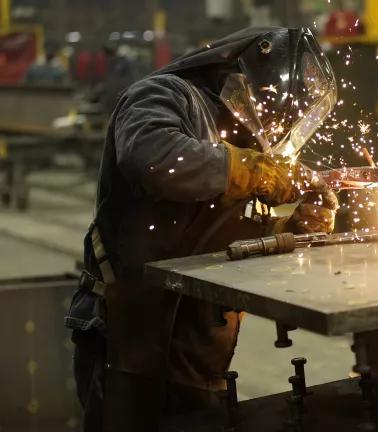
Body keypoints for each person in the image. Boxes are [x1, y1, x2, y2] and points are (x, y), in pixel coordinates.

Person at [64, 27, 338, 431]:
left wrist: (294, 227)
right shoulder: (163, 95)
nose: (275, 126)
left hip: (197, 346)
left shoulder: (242, 141)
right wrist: (253, 170)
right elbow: (156, 160)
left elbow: (225, 233)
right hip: (128, 334)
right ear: (253, 82)